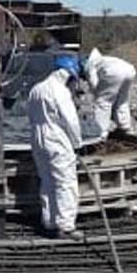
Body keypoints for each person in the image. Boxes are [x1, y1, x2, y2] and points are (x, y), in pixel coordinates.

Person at [25, 53, 86, 240]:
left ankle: (50, 222)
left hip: (38, 138)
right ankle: (66, 226)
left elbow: (30, 115)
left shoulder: (36, 89)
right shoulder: (60, 91)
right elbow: (71, 120)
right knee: (65, 182)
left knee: (47, 181)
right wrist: (77, 144)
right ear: (68, 74)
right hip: (57, 139)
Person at [83, 47, 137, 138]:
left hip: (113, 72)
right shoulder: (105, 60)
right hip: (130, 70)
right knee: (122, 100)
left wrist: (95, 94)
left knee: (103, 102)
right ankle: (125, 126)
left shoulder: (90, 65)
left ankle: (100, 132)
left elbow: (94, 86)